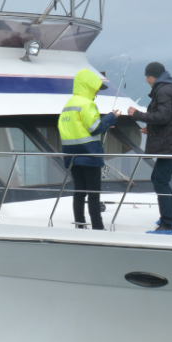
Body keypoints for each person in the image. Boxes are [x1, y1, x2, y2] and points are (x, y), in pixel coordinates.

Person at [127, 61, 172, 234]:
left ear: (153, 76)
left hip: (171, 145)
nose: (146, 80)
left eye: (147, 77)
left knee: (159, 180)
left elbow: (163, 116)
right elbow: (170, 119)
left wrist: (137, 115)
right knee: (159, 178)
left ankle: (167, 223)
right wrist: (152, 127)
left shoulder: (163, 91)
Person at [58, 69, 119, 230]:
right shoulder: (87, 104)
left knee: (79, 192)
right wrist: (111, 117)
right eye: (97, 88)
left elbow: (78, 129)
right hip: (89, 155)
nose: (97, 92)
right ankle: (98, 227)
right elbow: (94, 127)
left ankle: (80, 224)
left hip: (72, 156)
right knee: (93, 194)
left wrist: (103, 125)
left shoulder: (68, 105)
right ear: (89, 86)